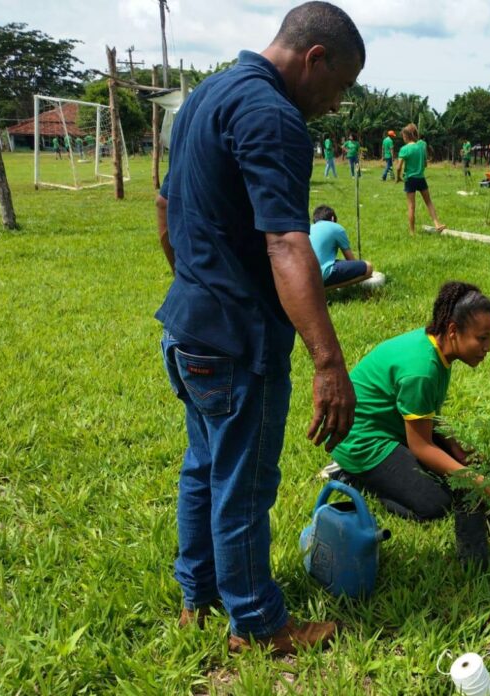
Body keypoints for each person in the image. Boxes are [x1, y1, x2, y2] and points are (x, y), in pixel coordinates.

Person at [154, 1, 363, 655]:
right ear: (315, 59)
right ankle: (259, 624)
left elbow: (165, 207)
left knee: (205, 468)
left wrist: (200, 283)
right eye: (340, 87)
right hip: (238, 342)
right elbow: (286, 245)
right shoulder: (274, 117)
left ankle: (200, 595)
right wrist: (328, 363)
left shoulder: (208, 93)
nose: (334, 105)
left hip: (188, 328)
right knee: (243, 484)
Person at [330, 281, 490, 521]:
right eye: (482, 338)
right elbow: (421, 446)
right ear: (453, 330)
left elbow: (425, 412)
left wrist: (453, 445)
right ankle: (352, 478)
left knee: (453, 473)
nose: (488, 347)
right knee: (435, 505)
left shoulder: (437, 346)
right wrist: (479, 482)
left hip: (392, 427)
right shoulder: (422, 369)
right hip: (361, 441)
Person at [395, 123, 445, 235]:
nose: (403, 138)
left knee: (411, 206)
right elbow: (425, 165)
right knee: (429, 202)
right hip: (421, 178)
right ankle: (437, 224)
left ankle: (412, 232)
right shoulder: (421, 147)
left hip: (410, 179)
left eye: (403, 136)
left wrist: (398, 177)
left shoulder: (404, 149)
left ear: (406, 136)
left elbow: (398, 167)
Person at [309, 205, 373, 287]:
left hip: (304, 276)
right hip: (321, 275)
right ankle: (324, 289)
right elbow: (350, 259)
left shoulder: (308, 228)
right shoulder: (336, 227)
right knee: (368, 267)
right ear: (332, 218)